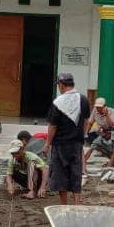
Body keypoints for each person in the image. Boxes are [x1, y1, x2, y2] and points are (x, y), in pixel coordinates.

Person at [43, 73, 90, 205]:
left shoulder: (57, 102)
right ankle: (77, 204)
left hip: (60, 145)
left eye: (59, 84)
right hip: (76, 144)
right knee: (76, 173)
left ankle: (64, 205)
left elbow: (53, 126)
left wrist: (47, 144)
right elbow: (86, 121)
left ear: (62, 85)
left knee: (60, 175)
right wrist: (82, 135)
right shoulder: (83, 99)